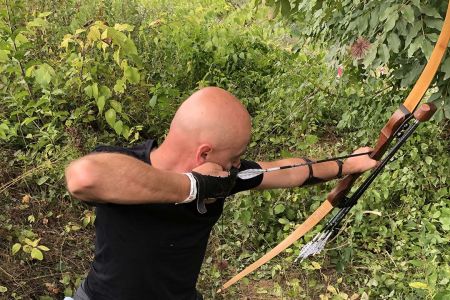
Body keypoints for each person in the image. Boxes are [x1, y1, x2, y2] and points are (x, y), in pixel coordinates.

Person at [65, 87, 377, 300]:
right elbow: (83, 176)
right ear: (204, 153)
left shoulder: (222, 178)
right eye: (235, 157)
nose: (237, 165)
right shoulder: (126, 165)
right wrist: (192, 187)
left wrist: (347, 163)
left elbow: (288, 171)